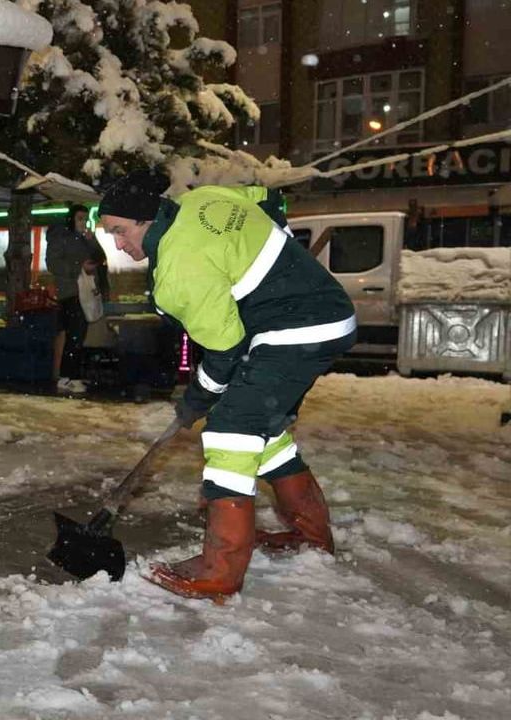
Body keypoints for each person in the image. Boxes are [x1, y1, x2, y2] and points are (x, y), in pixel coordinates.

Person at [96, 171, 356, 601]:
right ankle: (311, 536)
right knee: (263, 427)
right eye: (111, 236)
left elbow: (224, 351)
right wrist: (283, 252)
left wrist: (195, 400)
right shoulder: (204, 199)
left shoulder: (179, 269)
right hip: (323, 311)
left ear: (146, 220)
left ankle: (220, 571)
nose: (119, 245)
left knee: (229, 430)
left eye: (121, 232)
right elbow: (268, 199)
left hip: (293, 329)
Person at [44, 204, 109, 395]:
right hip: (70, 292)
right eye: (79, 218)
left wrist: (92, 242)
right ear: (71, 219)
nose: (82, 222)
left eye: (85, 218)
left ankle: (70, 376)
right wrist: (79, 267)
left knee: (78, 335)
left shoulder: (84, 238)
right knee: (75, 335)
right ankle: (67, 376)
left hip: (85, 292)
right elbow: (53, 263)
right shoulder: (61, 237)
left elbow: (101, 258)